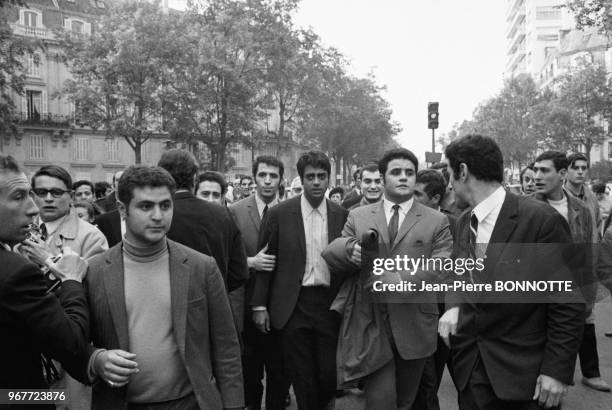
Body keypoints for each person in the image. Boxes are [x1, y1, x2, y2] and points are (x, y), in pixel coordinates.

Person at [72, 165, 244, 410]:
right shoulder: (95, 271)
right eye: (145, 206)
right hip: (121, 403)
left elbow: (226, 346)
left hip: (191, 403)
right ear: (122, 210)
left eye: (165, 205)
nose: (158, 215)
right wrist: (97, 360)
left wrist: (234, 405)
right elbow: (74, 345)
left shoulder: (201, 267)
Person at [439, 135, 585, 409]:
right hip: (471, 371)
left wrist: (556, 370)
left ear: (462, 171)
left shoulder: (541, 220)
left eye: (449, 172)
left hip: (524, 379)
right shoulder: (463, 223)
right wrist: (455, 306)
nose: (448, 182)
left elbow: (567, 301)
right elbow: (459, 275)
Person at [324, 148, 453, 410]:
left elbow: (443, 264)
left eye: (409, 173)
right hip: (370, 322)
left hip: (414, 324)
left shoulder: (437, 220)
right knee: (380, 401)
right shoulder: (359, 215)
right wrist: (350, 250)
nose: (404, 177)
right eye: (396, 172)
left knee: (405, 401)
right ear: (383, 178)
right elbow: (334, 250)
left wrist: (401, 277)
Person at [251, 151, 348, 410]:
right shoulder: (280, 214)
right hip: (293, 306)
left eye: (321, 177)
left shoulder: (342, 215)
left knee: (328, 375)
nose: (316, 182)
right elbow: (265, 262)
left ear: (328, 179)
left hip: (330, 305)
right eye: (310, 177)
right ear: (301, 180)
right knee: (302, 376)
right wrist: (259, 305)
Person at [0, 155, 89, 399]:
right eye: (19, 197)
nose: (34, 207)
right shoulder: (15, 270)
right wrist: (70, 278)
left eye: (56, 192)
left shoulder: (91, 235)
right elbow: (73, 344)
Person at [24, 165, 108, 409]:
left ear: (70, 196)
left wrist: (47, 258)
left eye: (56, 192)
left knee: (66, 403)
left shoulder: (91, 237)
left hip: (69, 349)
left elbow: (90, 292)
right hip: (26, 350)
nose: (48, 198)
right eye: (41, 192)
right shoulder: (18, 229)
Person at [531, 151, 608, 393]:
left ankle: (579, 376)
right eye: (536, 170)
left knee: (575, 332)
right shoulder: (526, 207)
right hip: (536, 293)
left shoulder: (582, 209)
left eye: (544, 171)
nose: (537, 176)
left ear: (561, 174)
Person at [229, 156, 289, 410]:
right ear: (254, 177)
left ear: (280, 179)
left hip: (281, 306)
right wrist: (250, 262)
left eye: (273, 176)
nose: (267, 180)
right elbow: (225, 257)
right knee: (250, 372)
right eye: (263, 175)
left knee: (280, 371)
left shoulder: (291, 211)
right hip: (245, 305)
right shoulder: (235, 211)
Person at [158, 149, 248, 292]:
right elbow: (239, 272)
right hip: (213, 303)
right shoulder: (223, 215)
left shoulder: (156, 216)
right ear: (195, 179)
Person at [413, 168, 458, 410]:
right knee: (425, 382)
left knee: (465, 380)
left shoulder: (456, 224)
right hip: (415, 315)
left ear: (436, 199)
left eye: (417, 194)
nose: (411, 199)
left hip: (447, 313)